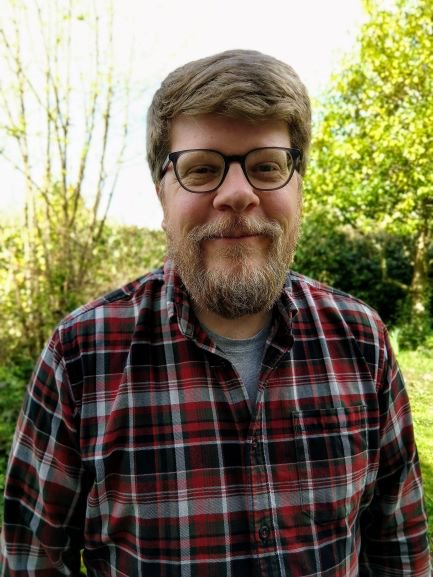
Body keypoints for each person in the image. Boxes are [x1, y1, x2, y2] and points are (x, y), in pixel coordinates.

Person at [0, 49, 430, 577]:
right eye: (202, 169)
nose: (238, 194)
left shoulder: (362, 340)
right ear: (162, 195)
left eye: (267, 166)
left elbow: (400, 553)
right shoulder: (80, 356)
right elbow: (32, 561)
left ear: (299, 186)